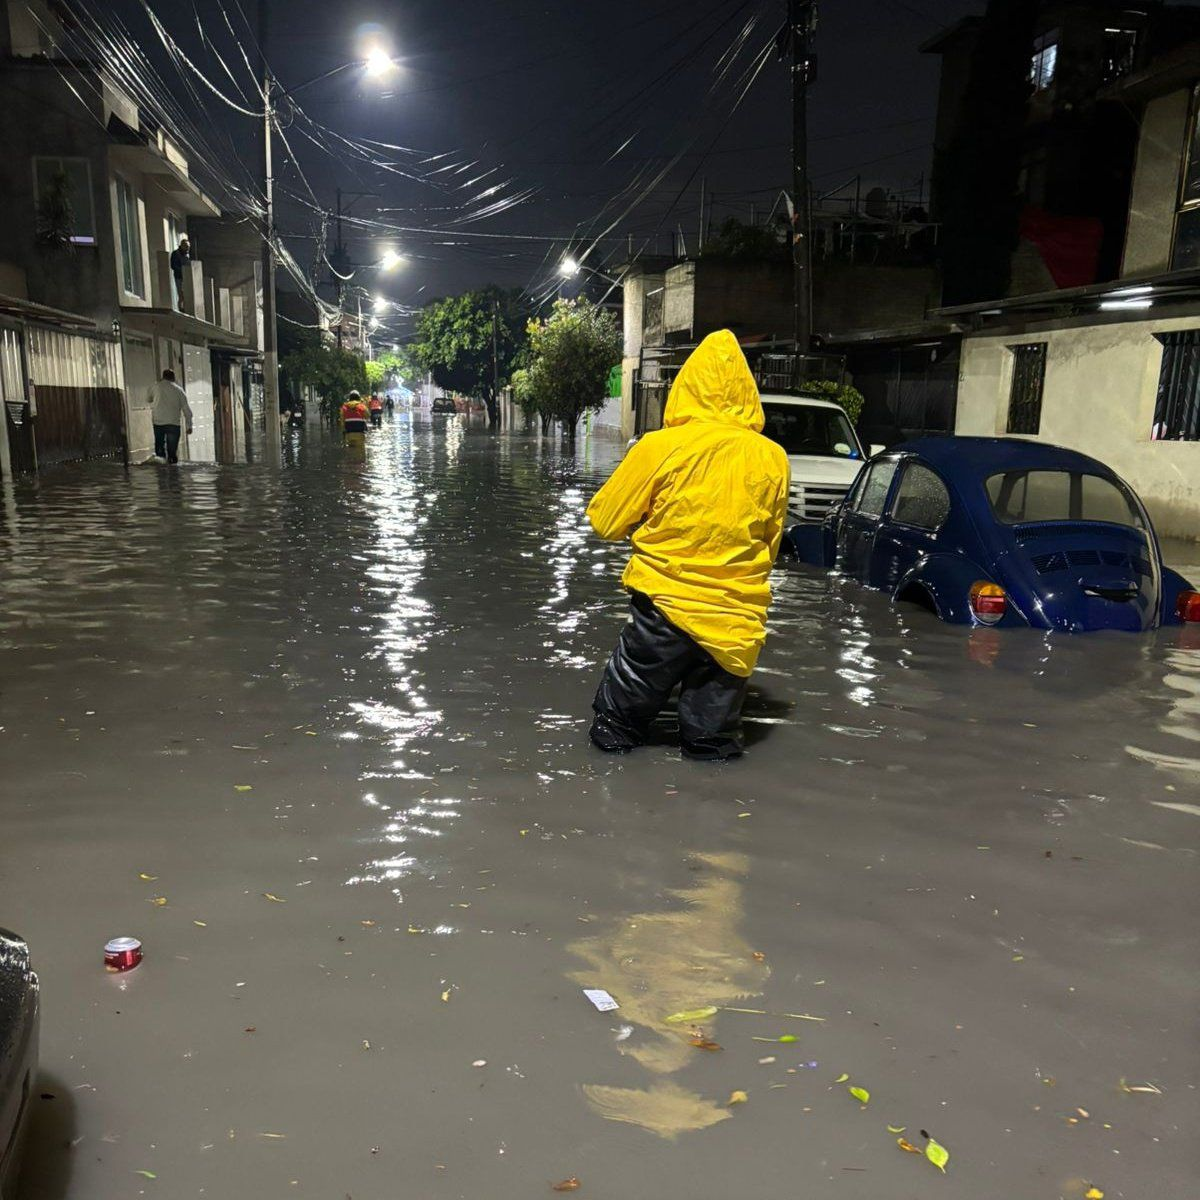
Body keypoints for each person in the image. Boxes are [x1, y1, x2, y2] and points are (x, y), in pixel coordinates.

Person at [586, 329, 789, 761]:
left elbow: (605, 520)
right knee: (711, 745)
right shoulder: (773, 457)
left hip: (662, 609)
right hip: (738, 620)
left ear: (686, 388)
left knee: (615, 731)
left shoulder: (660, 447)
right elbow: (770, 545)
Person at [147, 368, 193, 465]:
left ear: (163, 377)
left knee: (159, 452)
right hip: (173, 423)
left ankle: (161, 474)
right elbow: (187, 410)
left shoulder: (155, 387)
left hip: (158, 422)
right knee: (172, 453)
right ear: (173, 378)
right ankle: (173, 475)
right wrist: (189, 426)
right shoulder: (179, 390)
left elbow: (148, 399)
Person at [169, 236, 191, 310]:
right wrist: (181, 271)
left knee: (187, 295)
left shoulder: (186, 256)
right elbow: (173, 265)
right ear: (182, 246)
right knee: (181, 295)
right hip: (179, 277)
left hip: (186, 277)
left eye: (189, 247)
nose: (188, 248)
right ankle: (181, 309)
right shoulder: (175, 254)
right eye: (187, 247)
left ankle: (185, 308)